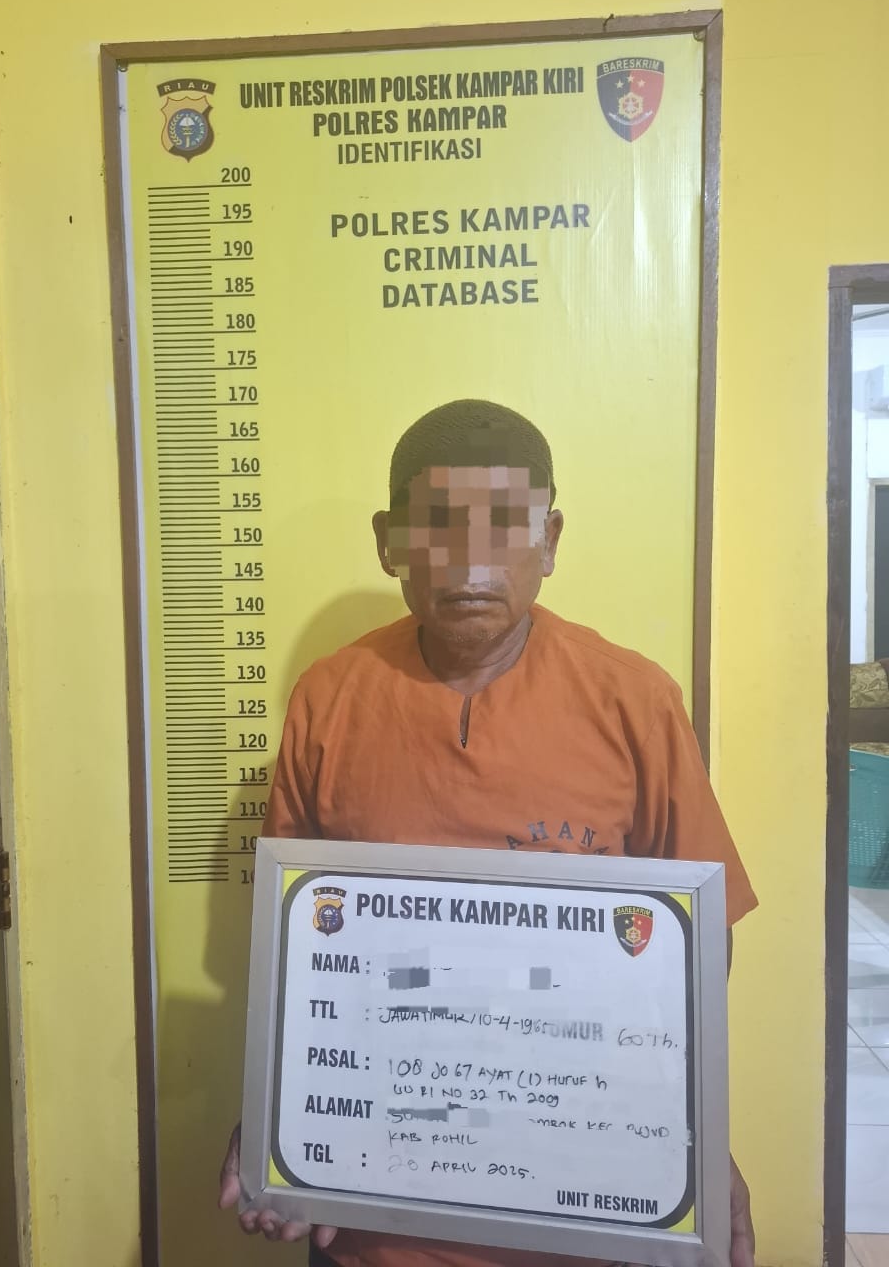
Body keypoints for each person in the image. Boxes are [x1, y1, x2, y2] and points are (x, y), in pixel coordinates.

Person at [219, 399, 758, 1267]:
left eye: (506, 523)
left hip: (580, 1210)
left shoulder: (635, 701)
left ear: (550, 540)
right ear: (389, 541)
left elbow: (697, 944)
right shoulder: (328, 698)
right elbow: (298, 945)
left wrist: (690, 1130)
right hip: (372, 1220)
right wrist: (280, 1116)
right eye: (438, 522)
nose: (471, 558)